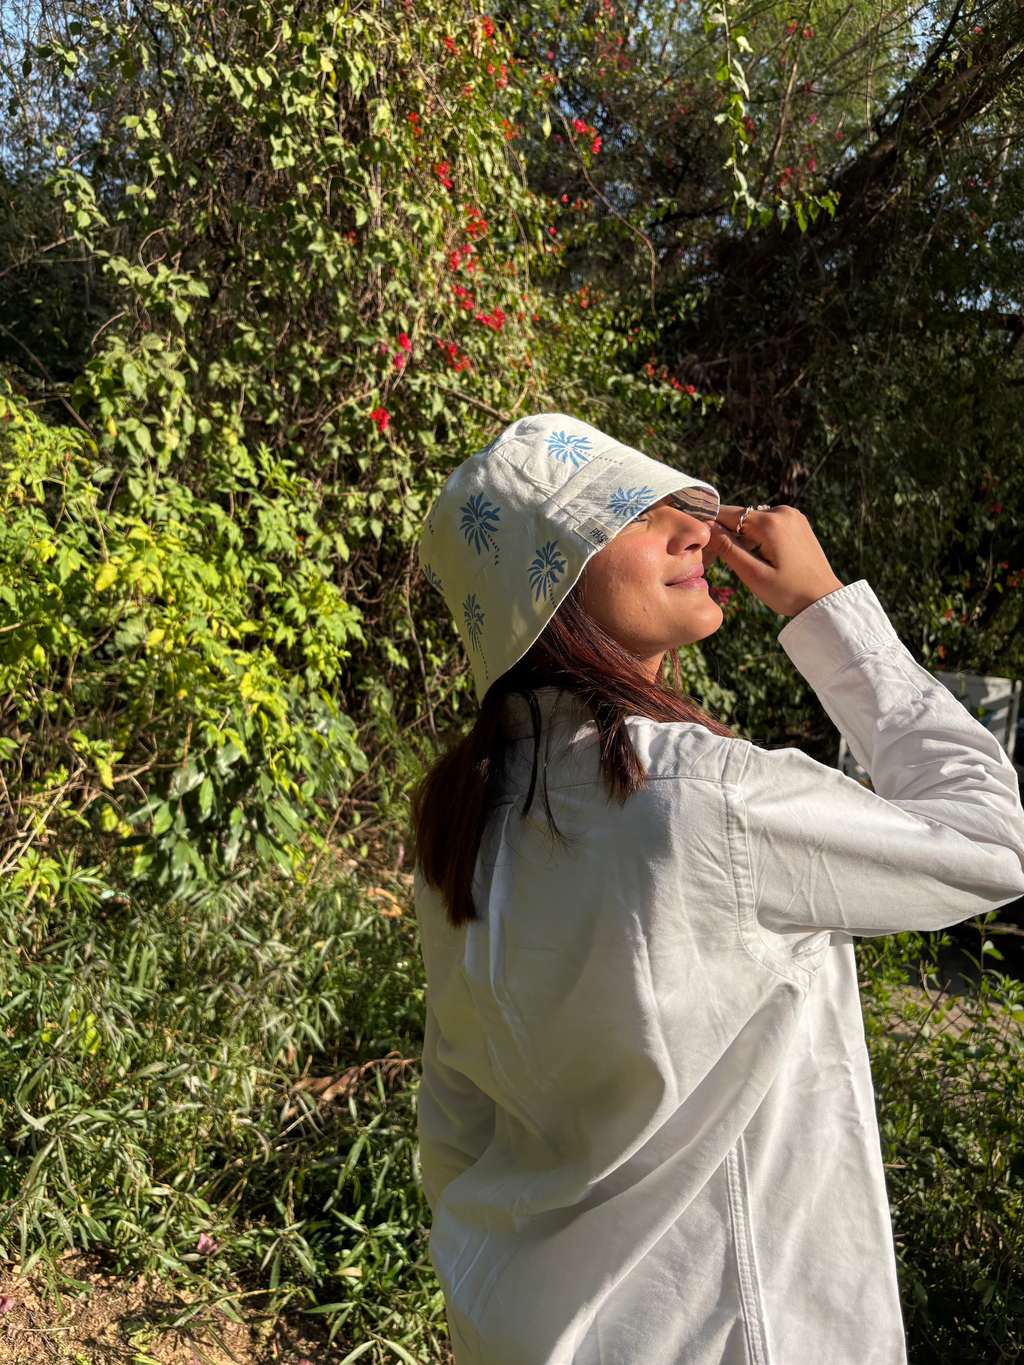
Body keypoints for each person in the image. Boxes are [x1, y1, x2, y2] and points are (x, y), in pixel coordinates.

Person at [411, 413, 1024, 1365]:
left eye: (682, 504)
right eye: (633, 513)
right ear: (547, 582)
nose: (693, 528)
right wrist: (826, 607)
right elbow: (988, 838)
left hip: (520, 1330)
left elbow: (455, 1124)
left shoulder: (465, 820)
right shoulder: (706, 796)